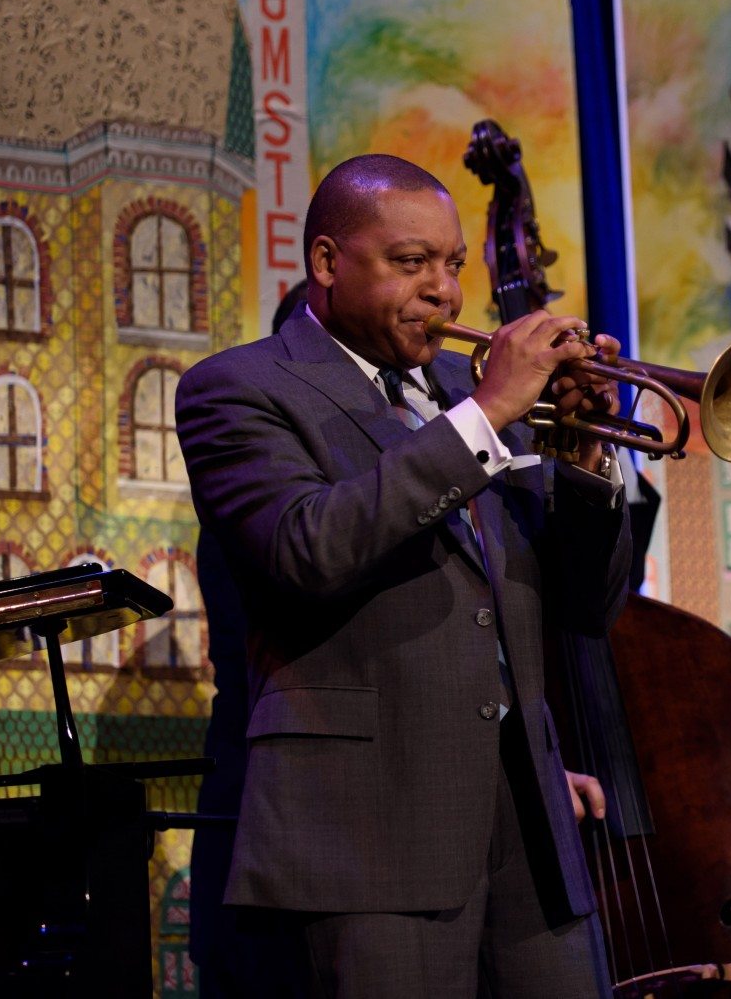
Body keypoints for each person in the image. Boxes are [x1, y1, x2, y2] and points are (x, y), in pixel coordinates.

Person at [176, 153, 631, 998]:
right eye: (411, 261)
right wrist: (485, 416)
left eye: (453, 264)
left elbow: (584, 605)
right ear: (326, 261)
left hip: (531, 823)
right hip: (371, 834)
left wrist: (585, 460)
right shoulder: (236, 387)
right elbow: (308, 549)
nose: (444, 292)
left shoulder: (472, 392)